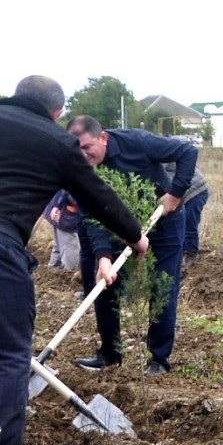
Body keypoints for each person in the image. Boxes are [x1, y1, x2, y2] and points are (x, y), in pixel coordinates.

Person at [0, 76, 147, 445]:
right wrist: (134, 235)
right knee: (8, 355)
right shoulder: (55, 141)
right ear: (57, 112)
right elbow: (96, 195)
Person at [65, 114, 197, 376]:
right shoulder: (77, 167)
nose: (83, 155)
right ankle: (110, 354)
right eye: (76, 150)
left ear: (102, 137)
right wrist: (103, 257)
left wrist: (175, 194)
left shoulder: (137, 142)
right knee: (104, 283)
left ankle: (158, 359)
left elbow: (187, 151)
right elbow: (91, 215)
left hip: (163, 222)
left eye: (87, 148)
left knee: (162, 286)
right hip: (117, 226)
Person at [43, 190, 84, 271]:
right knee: (70, 247)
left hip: (59, 209)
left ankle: (53, 270)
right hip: (64, 214)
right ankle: (68, 275)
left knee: (60, 244)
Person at [180, 168, 210, 264]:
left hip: (196, 191)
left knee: (189, 224)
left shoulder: (161, 158)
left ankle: (191, 255)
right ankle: (183, 253)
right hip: (186, 192)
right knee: (181, 225)